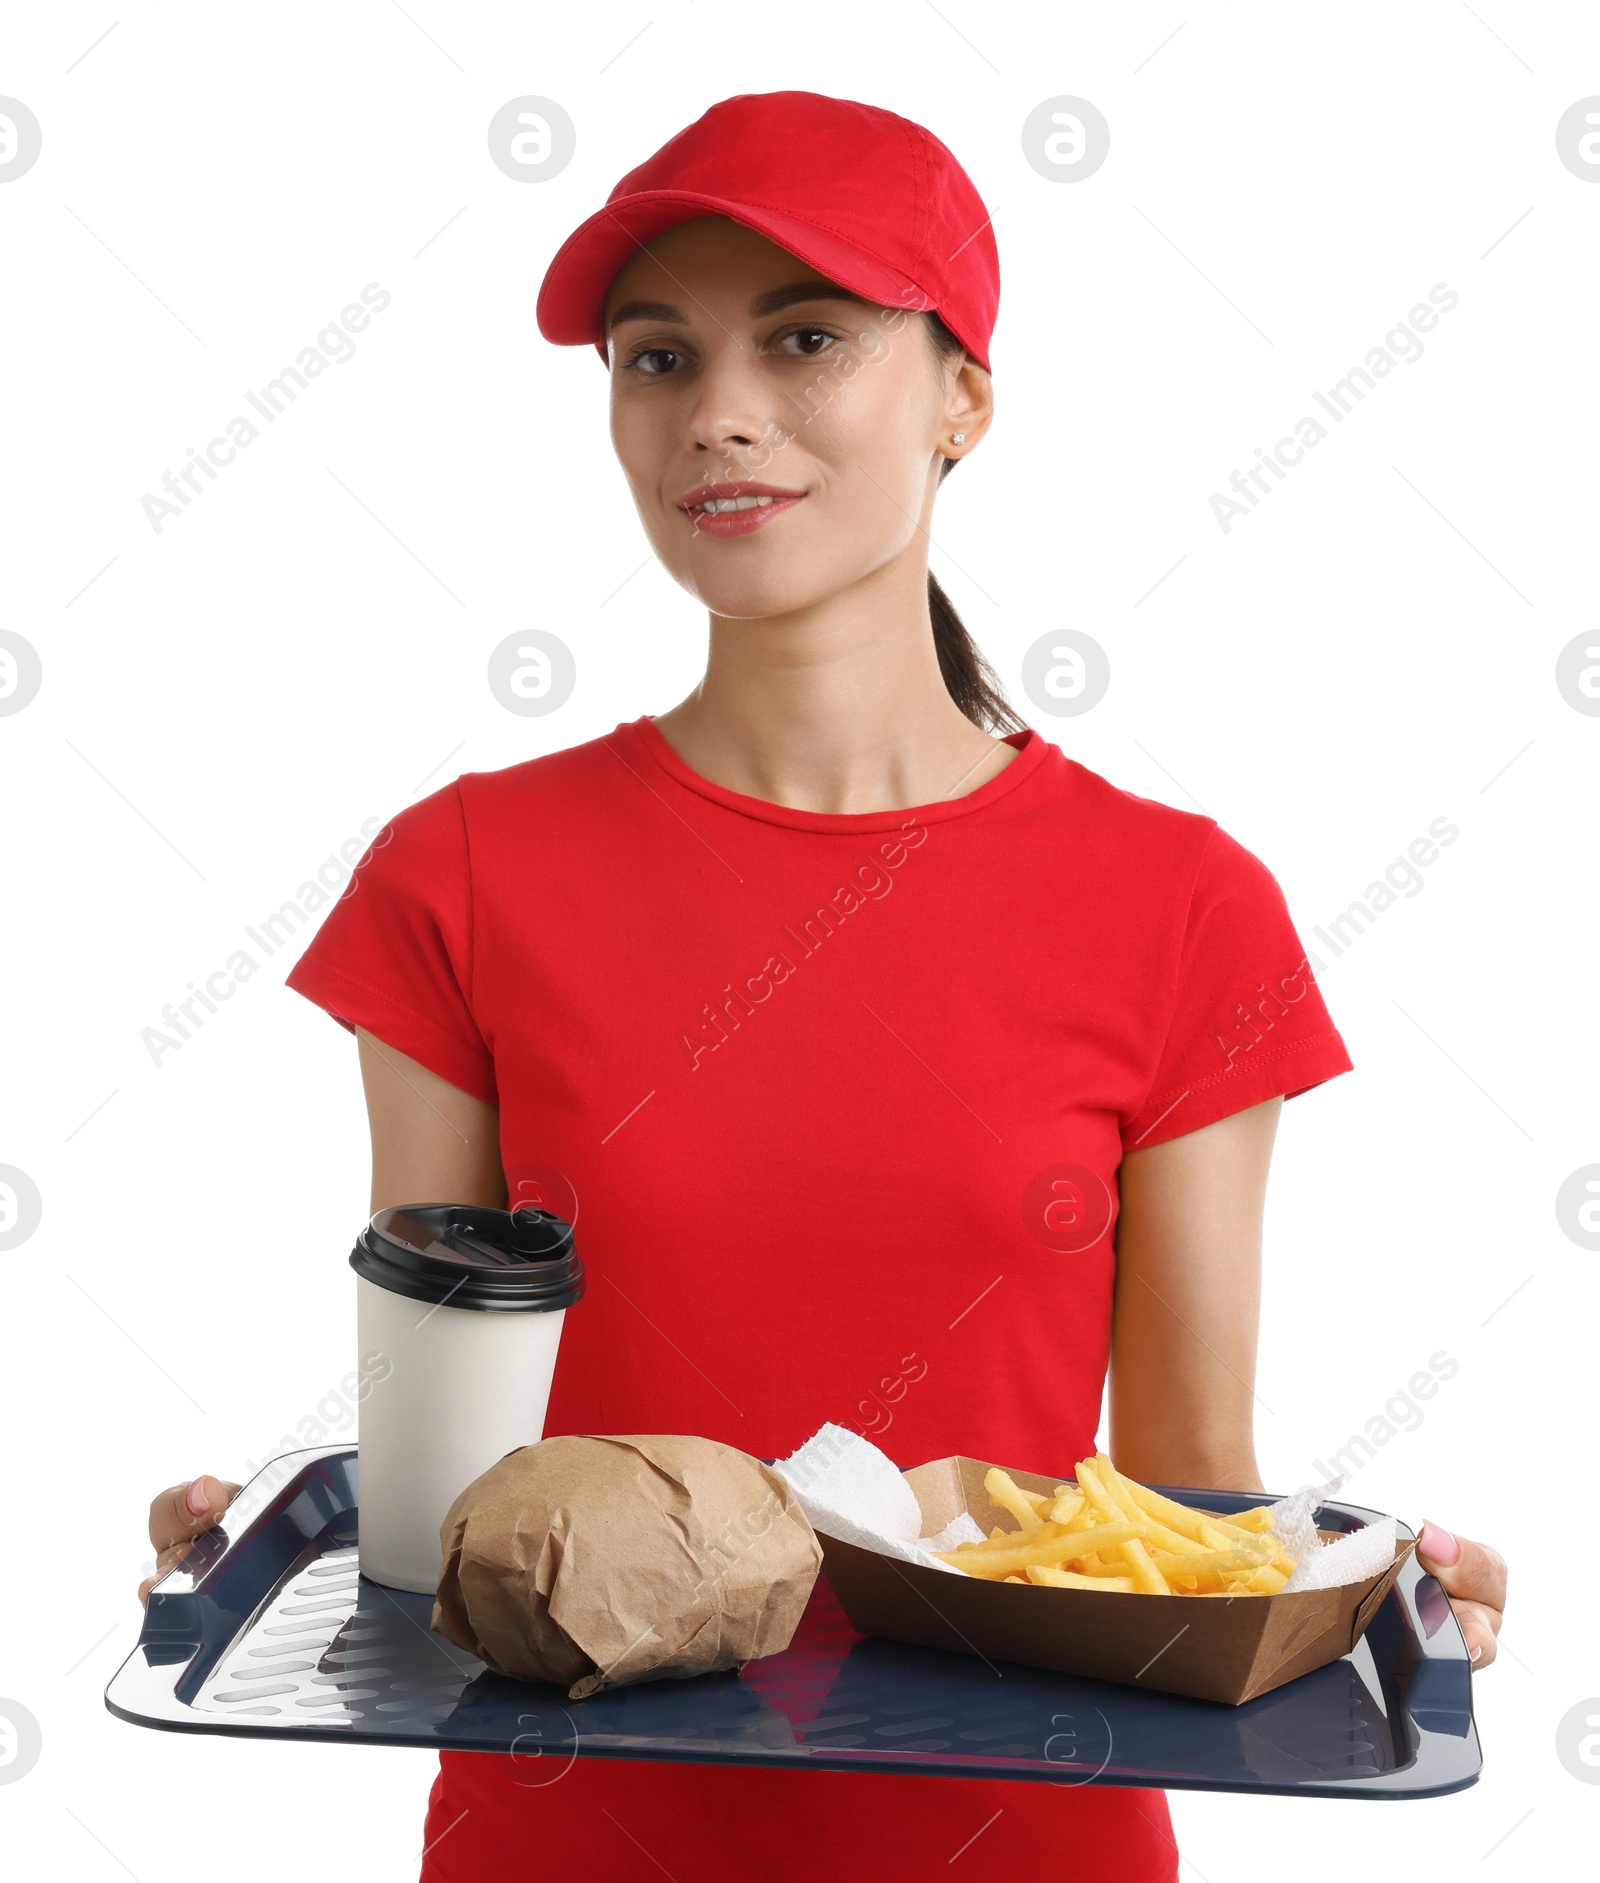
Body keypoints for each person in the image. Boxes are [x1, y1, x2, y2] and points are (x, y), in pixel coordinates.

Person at [141, 91, 1507, 1882]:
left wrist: (1374, 1606)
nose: (717, 412)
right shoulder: (461, 878)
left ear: (964, 397)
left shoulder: (1182, 908)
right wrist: (279, 1541)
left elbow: (1178, 1491)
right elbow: (446, 1437)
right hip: (565, 1842)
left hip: (1024, 1842)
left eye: (808, 338)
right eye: (657, 354)